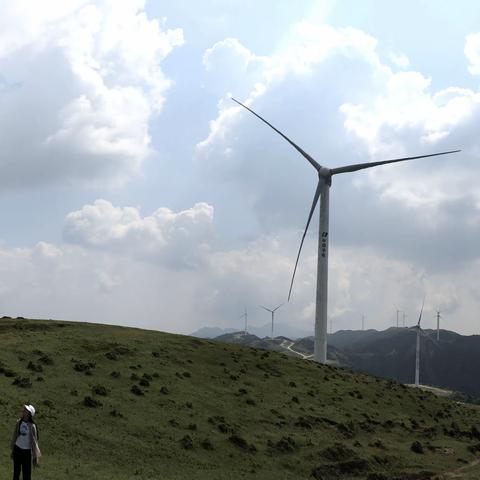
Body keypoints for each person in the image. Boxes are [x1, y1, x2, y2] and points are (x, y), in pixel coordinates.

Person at [10, 404, 41, 480]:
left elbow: (34, 441)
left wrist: (35, 455)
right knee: (16, 473)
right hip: (17, 450)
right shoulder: (19, 422)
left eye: (26, 411)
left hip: (27, 452)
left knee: (26, 475)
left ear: (29, 414)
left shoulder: (32, 426)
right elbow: (15, 435)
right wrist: (13, 449)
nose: (24, 411)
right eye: (24, 410)